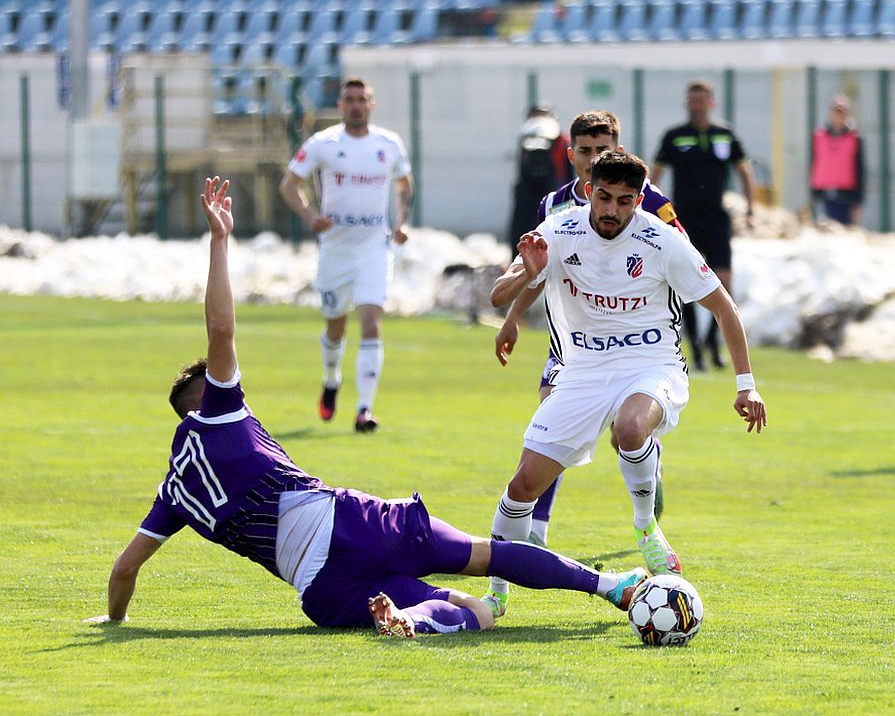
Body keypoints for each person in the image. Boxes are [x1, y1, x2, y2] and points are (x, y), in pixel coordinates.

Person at [85, 178, 647, 639]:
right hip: (351, 525)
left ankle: (414, 618)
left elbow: (125, 568)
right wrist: (219, 242)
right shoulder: (222, 413)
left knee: (475, 613)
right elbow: (221, 328)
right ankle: (611, 588)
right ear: (206, 396)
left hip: (320, 590)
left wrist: (115, 620)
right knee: (488, 556)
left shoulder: (175, 492)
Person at [484, 150, 767, 618]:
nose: (611, 210)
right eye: (603, 197)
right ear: (589, 189)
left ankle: (644, 527)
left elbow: (723, 306)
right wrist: (529, 273)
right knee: (522, 487)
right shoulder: (560, 229)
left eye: (623, 200)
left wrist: (746, 385)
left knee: (631, 430)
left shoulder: (662, 241)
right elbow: (498, 294)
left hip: (650, 362)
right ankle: (495, 595)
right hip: (581, 371)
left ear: (639, 200)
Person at [493, 110, 685, 548]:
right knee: (550, 421)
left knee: (626, 436)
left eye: (603, 150)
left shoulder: (649, 200)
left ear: (617, 151)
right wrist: (512, 320)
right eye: (585, 150)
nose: (592, 157)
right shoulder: (554, 205)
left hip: (632, 343)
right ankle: (536, 528)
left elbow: (682, 255)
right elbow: (537, 269)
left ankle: (647, 476)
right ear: (571, 153)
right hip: (573, 342)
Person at [279, 77, 412, 433]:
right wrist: (310, 217)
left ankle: (364, 410)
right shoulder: (323, 144)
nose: (356, 105)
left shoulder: (388, 144)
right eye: (349, 99)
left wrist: (402, 222)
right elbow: (289, 184)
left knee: (371, 322)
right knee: (335, 326)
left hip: (373, 247)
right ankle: (331, 378)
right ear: (340, 106)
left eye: (362, 99)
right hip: (336, 250)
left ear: (372, 104)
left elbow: (404, 184)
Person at [650, 80, 758, 371]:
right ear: (687, 103)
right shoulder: (675, 136)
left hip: (717, 217)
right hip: (684, 219)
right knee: (686, 283)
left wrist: (751, 208)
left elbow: (745, 171)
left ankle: (713, 340)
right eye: (692, 101)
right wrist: (648, 212)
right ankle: (694, 345)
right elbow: (654, 176)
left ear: (712, 103)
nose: (696, 105)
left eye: (702, 100)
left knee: (724, 281)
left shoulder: (724, 135)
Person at [507, 103, 572, 251]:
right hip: (528, 196)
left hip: (556, 194)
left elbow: (568, 174)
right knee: (523, 232)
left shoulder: (563, 142)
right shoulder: (525, 140)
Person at [810, 94, 866, 227]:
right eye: (836, 111)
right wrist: (812, 193)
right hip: (823, 195)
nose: (839, 116)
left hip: (846, 196)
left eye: (842, 112)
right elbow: (814, 164)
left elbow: (860, 170)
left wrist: (858, 201)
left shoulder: (855, 138)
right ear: (830, 113)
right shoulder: (819, 136)